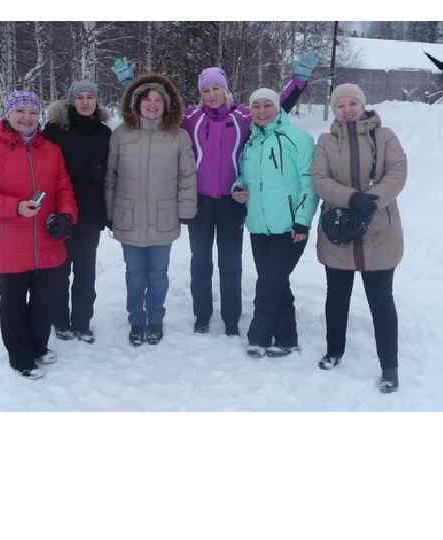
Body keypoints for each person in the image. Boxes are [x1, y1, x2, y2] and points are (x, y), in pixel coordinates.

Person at [112, 53, 318, 336]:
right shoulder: (190, 118)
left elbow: (273, 107)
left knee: (230, 263)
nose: (211, 95)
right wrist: (130, 84)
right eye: (206, 90)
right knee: (200, 262)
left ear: (225, 89)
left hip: (233, 203)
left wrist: (298, 81)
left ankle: (231, 318)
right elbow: (153, 109)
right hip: (201, 203)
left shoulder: (243, 116)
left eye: (216, 88)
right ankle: (202, 315)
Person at [0, 90, 77, 379]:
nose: (27, 118)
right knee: (13, 303)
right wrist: (15, 207)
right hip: (8, 242)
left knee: (44, 301)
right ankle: (20, 356)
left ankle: (38, 346)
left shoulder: (50, 149)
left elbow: (64, 187)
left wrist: (66, 216)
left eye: (32, 112)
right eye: (20, 111)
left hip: (46, 240)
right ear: (8, 114)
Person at [311, 83, 407, 393]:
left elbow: (397, 172)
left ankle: (389, 367)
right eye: (340, 105)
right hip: (339, 230)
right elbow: (319, 179)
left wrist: (373, 200)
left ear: (362, 105)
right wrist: (352, 198)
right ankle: (334, 351)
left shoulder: (385, 137)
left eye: (353, 103)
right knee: (336, 297)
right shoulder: (326, 141)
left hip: (379, 232)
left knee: (381, 301)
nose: (347, 109)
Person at [105, 73, 197, 346]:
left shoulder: (178, 136)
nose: (152, 105)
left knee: (158, 274)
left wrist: (186, 210)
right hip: (129, 217)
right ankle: (136, 320)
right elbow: (110, 176)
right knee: (134, 274)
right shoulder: (121, 134)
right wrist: (109, 212)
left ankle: (155, 318)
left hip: (163, 217)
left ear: (167, 105)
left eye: (159, 100)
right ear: (137, 103)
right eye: (147, 99)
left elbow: (188, 176)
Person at [231, 88, 318, 358]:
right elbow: (243, 178)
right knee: (277, 282)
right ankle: (287, 339)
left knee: (269, 283)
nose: (261, 111)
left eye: (267, 105)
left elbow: (309, 183)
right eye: (255, 106)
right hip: (258, 226)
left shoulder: (299, 139)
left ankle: (258, 337)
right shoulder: (250, 143)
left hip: (289, 227)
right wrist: (238, 188)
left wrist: (302, 221)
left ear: (278, 107)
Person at [42, 80, 111, 344]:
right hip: (61, 213)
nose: (85, 102)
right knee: (59, 272)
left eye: (90, 97)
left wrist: (109, 211)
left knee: (85, 272)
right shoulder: (55, 130)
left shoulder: (104, 133)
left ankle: (82, 322)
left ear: (96, 101)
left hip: (91, 214)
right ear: (71, 101)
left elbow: (111, 174)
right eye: (80, 97)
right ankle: (60, 321)